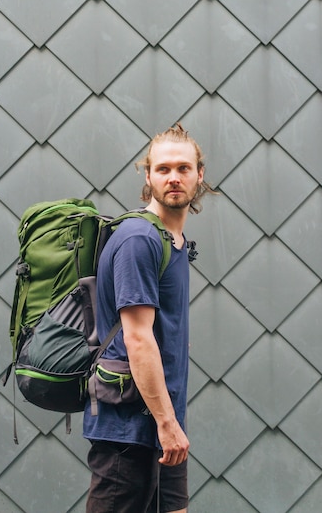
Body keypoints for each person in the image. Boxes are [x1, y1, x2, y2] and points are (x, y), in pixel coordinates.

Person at [83, 123, 215, 513]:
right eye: (163, 169)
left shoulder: (172, 242)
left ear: (199, 174)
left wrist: (171, 425)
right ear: (148, 176)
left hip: (164, 426)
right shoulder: (139, 240)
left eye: (183, 168)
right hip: (130, 429)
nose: (173, 177)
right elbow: (138, 338)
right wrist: (167, 423)